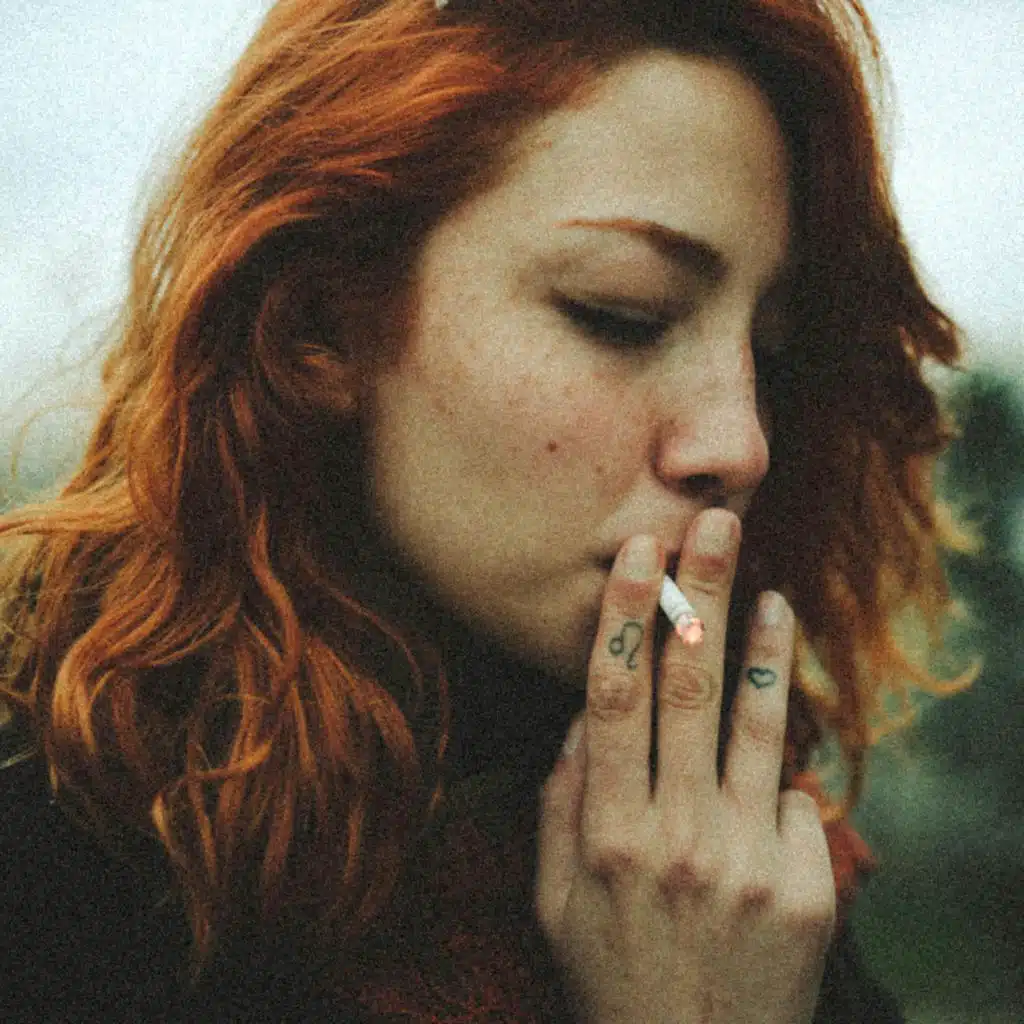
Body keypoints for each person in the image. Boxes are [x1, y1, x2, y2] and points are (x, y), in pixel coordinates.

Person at [0, 1, 973, 1021]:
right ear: (318, 327)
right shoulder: (58, 901)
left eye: (769, 356)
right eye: (622, 315)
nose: (740, 443)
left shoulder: (745, 881)